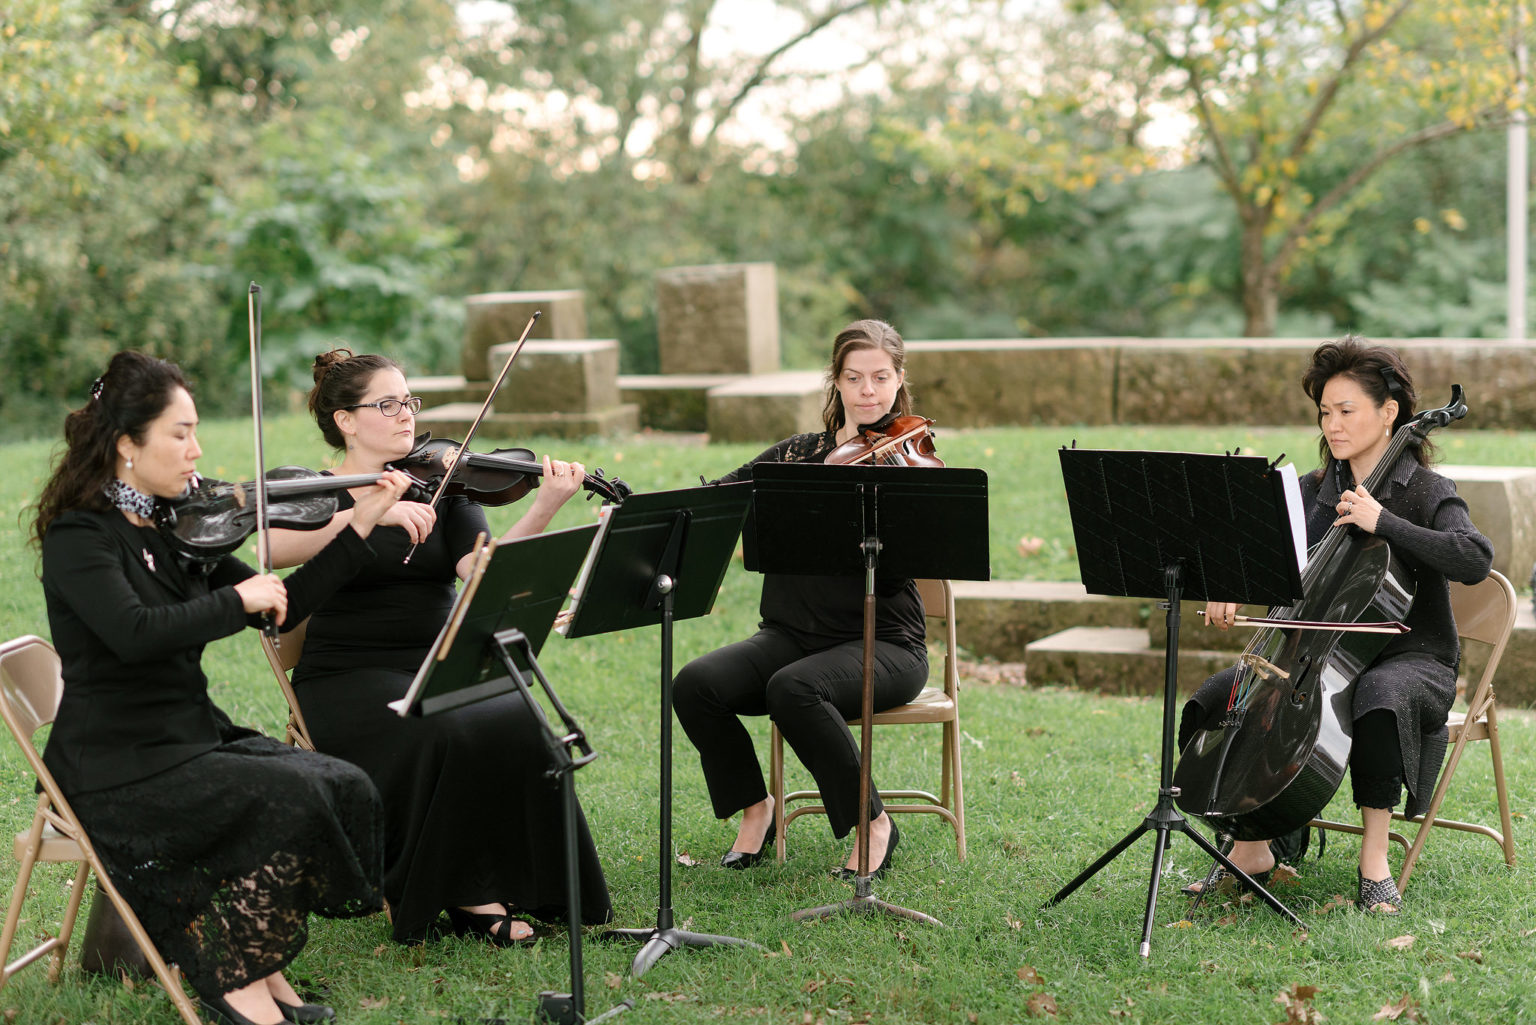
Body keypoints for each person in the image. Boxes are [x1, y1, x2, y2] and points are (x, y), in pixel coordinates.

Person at [33, 351, 411, 1025]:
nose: (196, 450)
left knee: (335, 780)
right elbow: (136, 632)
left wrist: (361, 521)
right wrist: (234, 600)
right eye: (179, 433)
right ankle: (234, 978)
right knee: (287, 795)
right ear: (126, 442)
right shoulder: (80, 535)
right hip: (116, 763)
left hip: (187, 735)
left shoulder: (177, 524)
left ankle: (246, 961)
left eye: (195, 430)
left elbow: (281, 607)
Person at [266, 349, 612, 947]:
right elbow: (273, 550)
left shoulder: (444, 484)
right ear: (346, 420)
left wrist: (545, 505)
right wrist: (371, 511)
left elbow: (481, 570)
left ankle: (539, 882)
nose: (406, 415)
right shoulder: (317, 491)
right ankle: (463, 895)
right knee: (440, 726)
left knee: (519, 716)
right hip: (348, 676)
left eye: (409, 401)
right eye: (388, 404)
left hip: (436, 660)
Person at [1180, 336, 1493, 913]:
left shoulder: (1425, 491)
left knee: (1377, 694)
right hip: (1315, 656)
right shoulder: (1313, 492)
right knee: (1216, 695)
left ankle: (1374, 861)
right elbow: (1263, 561)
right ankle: (1252, 848)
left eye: (1346, 410)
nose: (1333, 425)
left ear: (1389, 413)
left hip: (1413, 659)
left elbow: (1474, 558)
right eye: (1326, 412)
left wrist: (1385, 522)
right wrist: (1227, 588)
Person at [672, 319, 931, 878]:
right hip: (791, 635)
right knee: (696, 685)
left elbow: (898, 578)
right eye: (854, 377)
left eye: (880, 378)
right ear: (836, 382)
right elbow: (718, 498)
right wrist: (641, 511)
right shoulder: (797, 455)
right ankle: (756, 808)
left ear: (898, 379)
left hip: (884, 644)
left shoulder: (911, 462)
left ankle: (874, 823)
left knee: (794, 689)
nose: (868, 391)